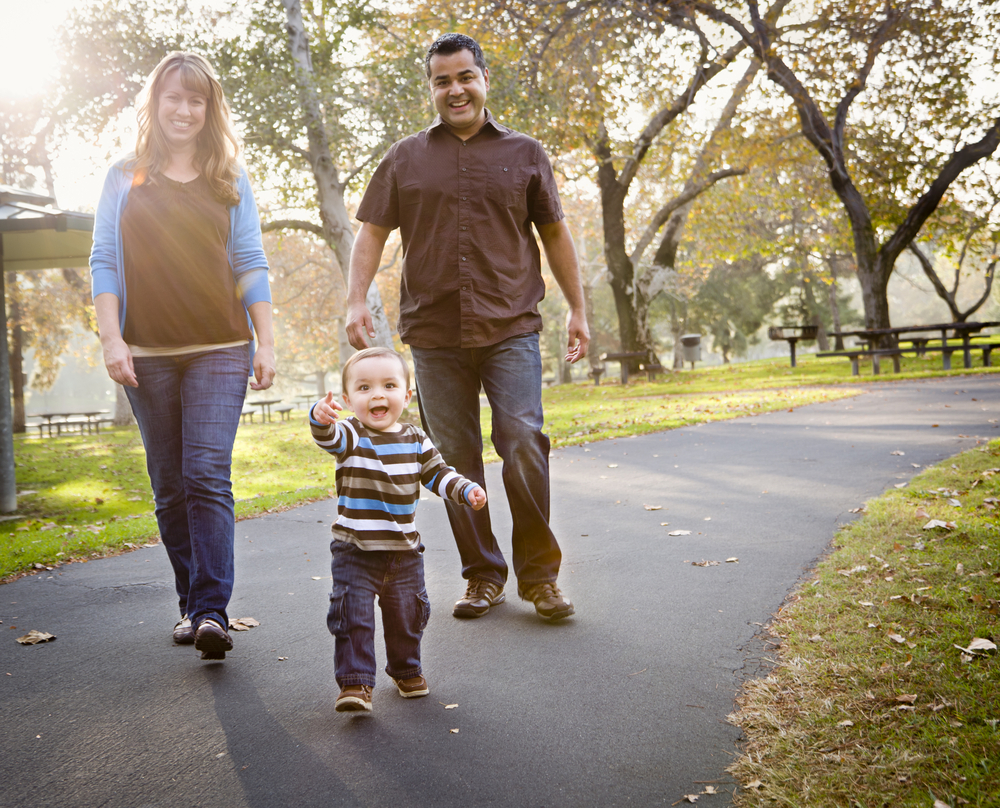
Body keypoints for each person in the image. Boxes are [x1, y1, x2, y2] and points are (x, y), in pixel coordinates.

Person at [346, 33, 589, 623]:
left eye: (463, 77)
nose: (454, 89)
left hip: (511, 325)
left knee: (523, 443)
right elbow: (373, 232)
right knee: (454, 460)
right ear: (431, 87)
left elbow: (555, 234)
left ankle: (541, 578)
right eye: (441, 80)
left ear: (483, 79)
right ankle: (482, 576)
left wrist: (578, 309)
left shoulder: (526, 153)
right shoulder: (405, 158)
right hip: (433, 334)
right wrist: (356, 299)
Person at [90, 52, 275, 661]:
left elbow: (249, 260)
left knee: (204, 473)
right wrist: (112, 338)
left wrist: (265, 340)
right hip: (146, 352)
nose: (185, 110)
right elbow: (104, 263)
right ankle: (191, 604)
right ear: (155, 102)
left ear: (209, 109)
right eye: (174, 97)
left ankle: (212, 611)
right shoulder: (124, 176)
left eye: (197, 100)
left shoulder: (229, 178)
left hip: (221, 346)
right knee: (170, 485)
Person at [310, 348, 487, 712]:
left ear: (406, 395)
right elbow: (328, 437)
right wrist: (320, 418)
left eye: (389, 385)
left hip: (404, 551)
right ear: (348, 399)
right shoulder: (352, 434)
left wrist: (465, 489)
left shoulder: (415, 439)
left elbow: (438, 474)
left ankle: (406, 669)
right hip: (354, 550)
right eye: (364, 388)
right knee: (352, 616)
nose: (377, 394)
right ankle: (356, 683)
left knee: (406, 615)